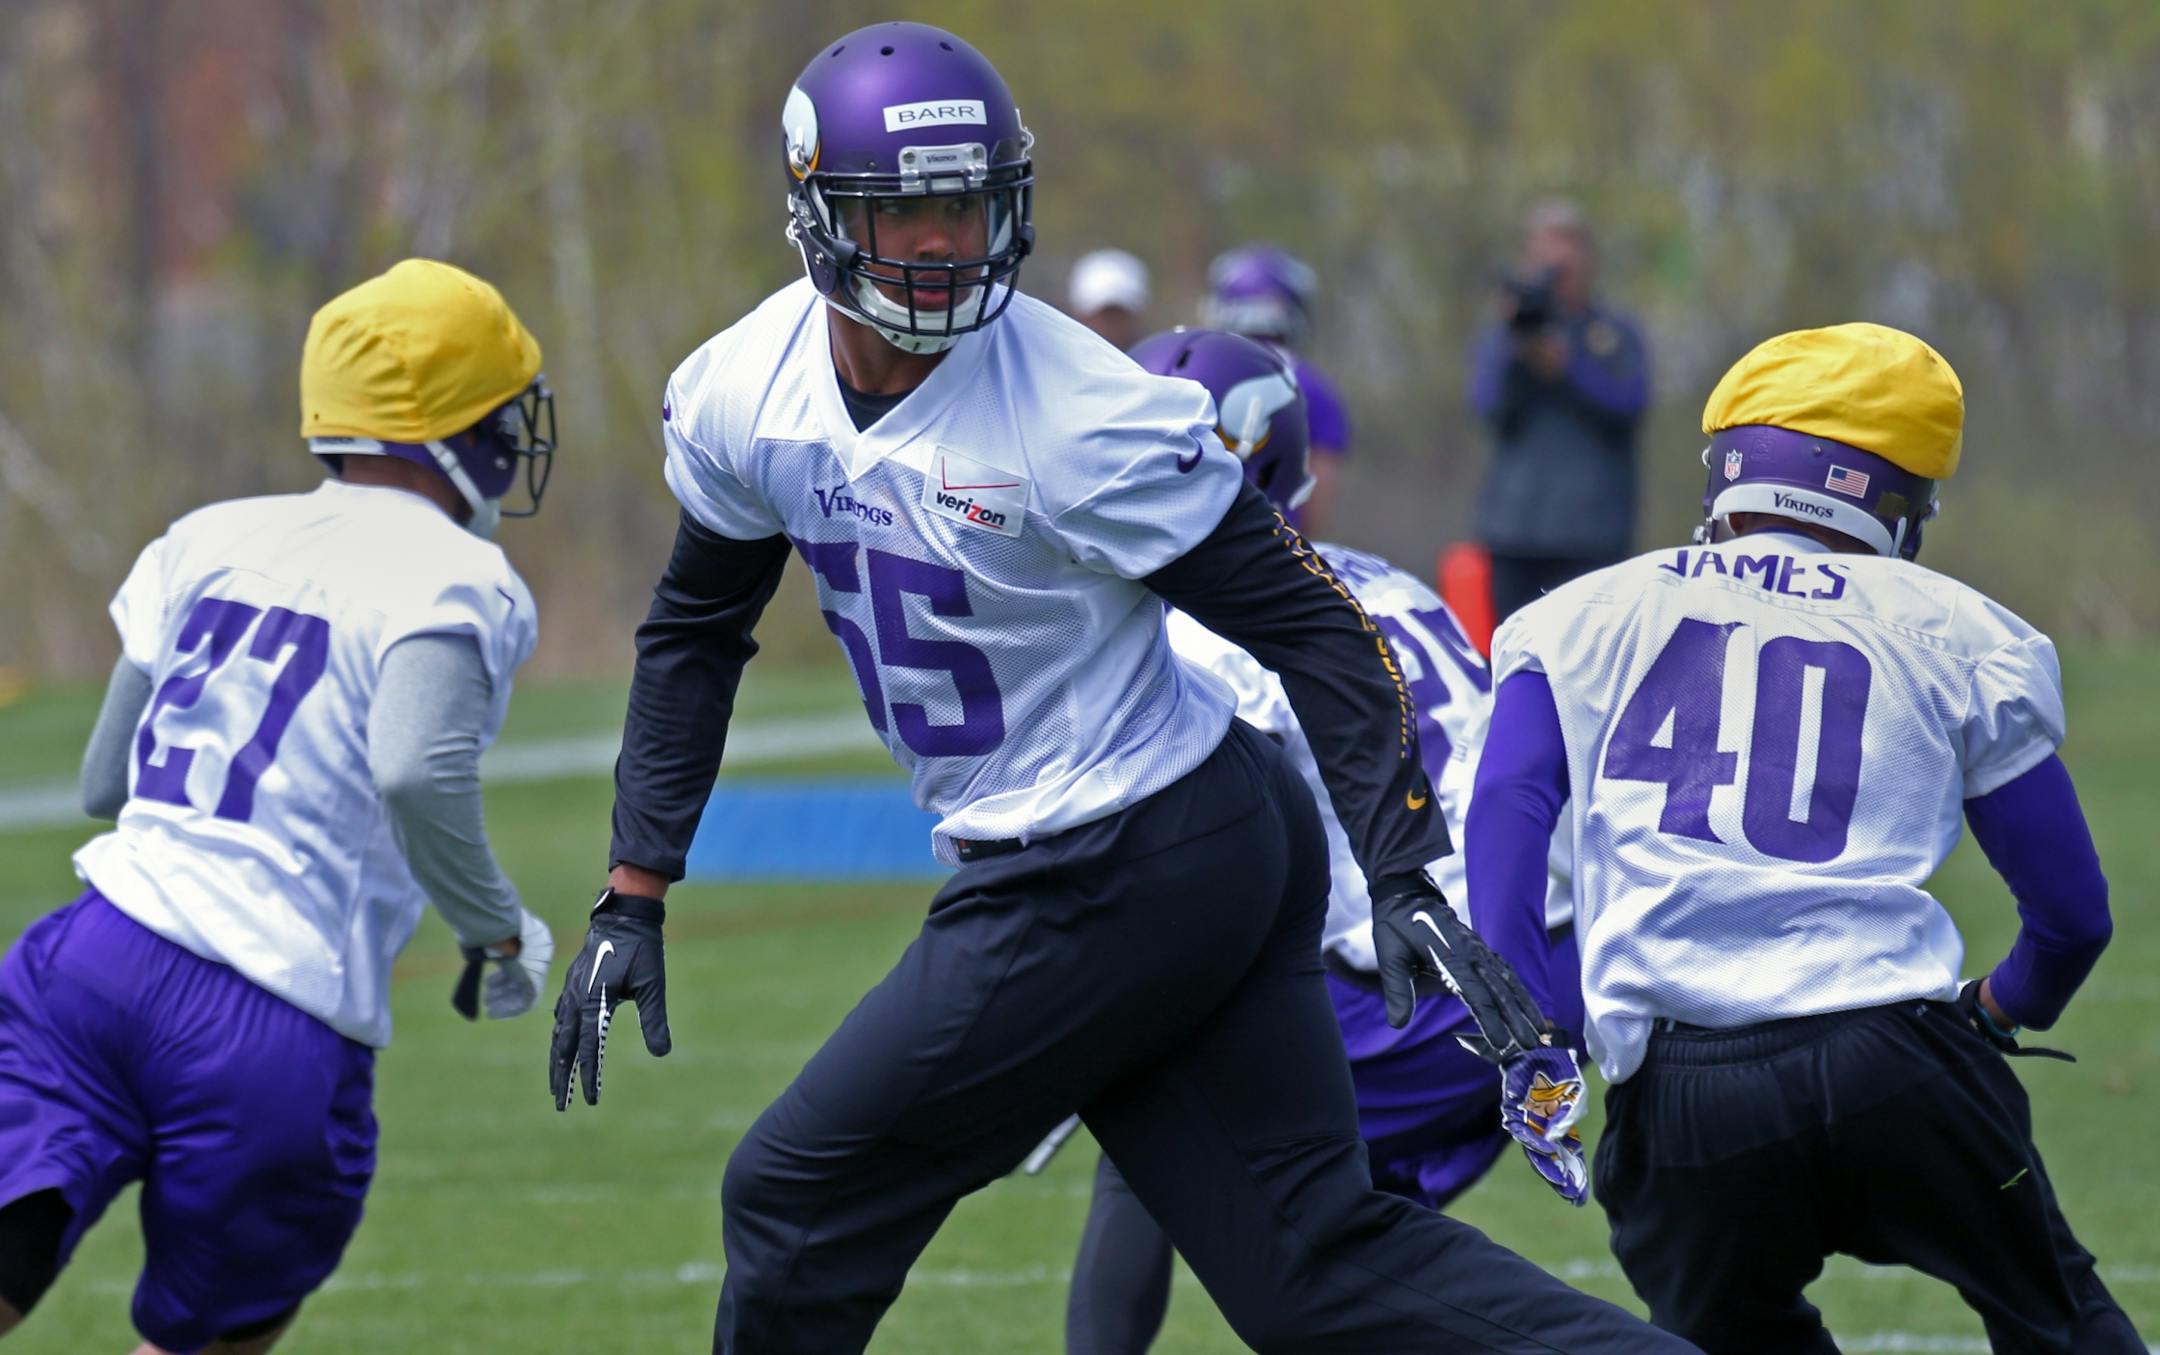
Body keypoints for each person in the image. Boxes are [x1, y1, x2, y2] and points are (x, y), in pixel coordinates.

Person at [544, 22, 1692, 1355]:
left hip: (1113, 855)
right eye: (904, 208)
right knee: (1311, 1268)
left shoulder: (1082, 413)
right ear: (814, 212)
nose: (940, 242)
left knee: (793, 1194)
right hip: (1169, 842)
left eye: (965, 203)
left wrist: (1400, 870)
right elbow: (695, 627)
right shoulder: (748, 389)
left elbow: (1317, 625)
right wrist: (634, 887)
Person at [1465, 322, 2143, 1354]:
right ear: (1898, 499)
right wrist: (2006, 1009)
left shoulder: (1584, 612)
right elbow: (2072, 913)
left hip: (1688, 1094)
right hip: (1896, 1055)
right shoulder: (1955, 629)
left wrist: (1527, 1031)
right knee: (2062, 1318)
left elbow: (1508, 804)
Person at [0, 258, 558, 1354]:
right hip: (268, 1012)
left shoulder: (208, 532)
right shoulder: (459, 575)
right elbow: (413, 769)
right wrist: (496, 927)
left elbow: (104, 782)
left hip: (90, 956)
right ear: (458, 426)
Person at [1061, 327, 1587, 1355]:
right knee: (1371, 1260)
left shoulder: (1195, 628)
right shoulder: (1389, 581)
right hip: (1539, 958)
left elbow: (1198, 854)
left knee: (1154, 1133)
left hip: (1422, 987)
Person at [1468, 199, 1649, 622]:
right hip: (1515, 534)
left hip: (1592, 536)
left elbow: (1628, 408)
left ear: (1589, 259)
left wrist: (1567, 368)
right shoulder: (1503, 334)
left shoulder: (1617, 333)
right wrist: (1521, 353)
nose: (1558, 260)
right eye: (1546, 247)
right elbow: (1490, 411)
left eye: (1570, 245)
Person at [1201, 243, 1353, 533]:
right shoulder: (1313, 386)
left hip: (1196, 550)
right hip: (1276, 549)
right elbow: (1319, 484)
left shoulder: (1196, 373)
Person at [1067, 248, 1151, 351]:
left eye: (1119, 313)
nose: (1112, 325)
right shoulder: (1058, 360)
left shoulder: (1155, 362)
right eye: (1104, 314)